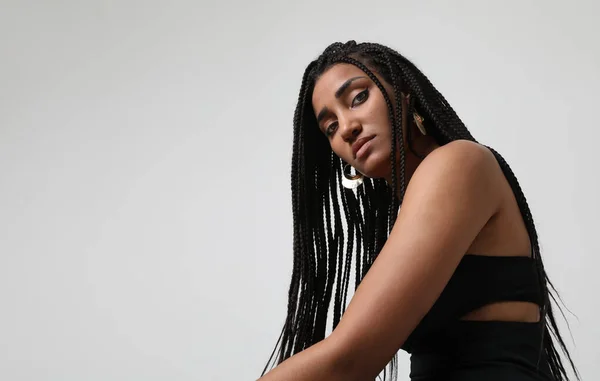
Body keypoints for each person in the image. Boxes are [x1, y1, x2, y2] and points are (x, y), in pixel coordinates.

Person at [258, 41, 578, 381]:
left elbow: (349, 359)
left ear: (403, 92)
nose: (347, 127)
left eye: (358, 98)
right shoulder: (410, 215)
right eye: (331, 128)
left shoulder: (458, 163)